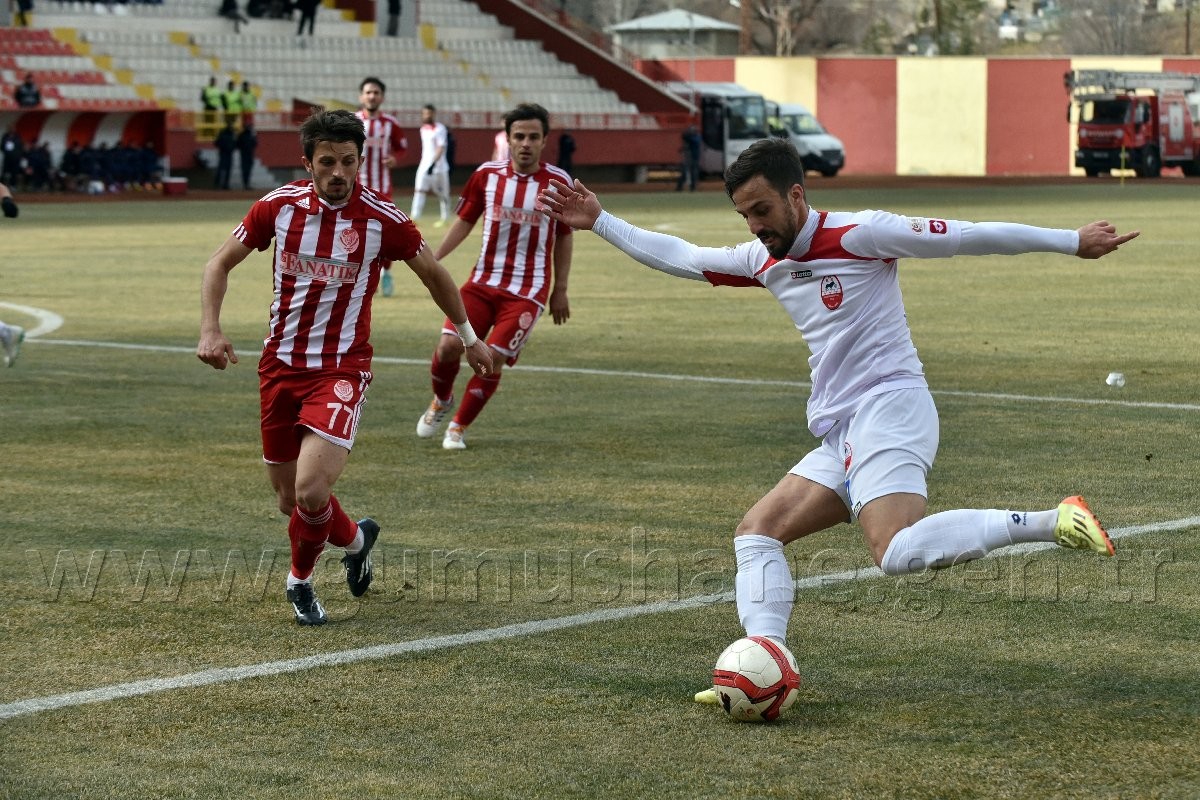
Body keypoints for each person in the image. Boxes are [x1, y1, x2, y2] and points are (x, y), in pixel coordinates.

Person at [537, 137, 1137, 699]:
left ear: (797, 195)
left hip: (891, 407)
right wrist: (601, 221)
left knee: (895, 551)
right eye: (744, 215)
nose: (754, 225)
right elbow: (686, 257)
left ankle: (1053, 520)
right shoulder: (761, 258)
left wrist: (1071, 240)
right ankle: (765, 660)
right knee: (756, 533)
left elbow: (966, 235)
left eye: (762, 209)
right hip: (842, 428)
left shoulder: (862, 233)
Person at [196, 108, 492, 625]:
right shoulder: (278, 208)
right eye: (327, 162)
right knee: (289, 501)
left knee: (311, 490)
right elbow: (218, 263)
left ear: (360, 161)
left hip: (341, 369)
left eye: (349, 162)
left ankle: (300, 582)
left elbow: (434, 274)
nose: (339, 172)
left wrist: (469, 337)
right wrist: (210, 329)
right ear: (307, 163)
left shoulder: (383, 220)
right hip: (279, 366)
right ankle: (356, 540)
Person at [415, 103, 572, 451]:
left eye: (533, 137)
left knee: (493, 359)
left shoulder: (558, 182)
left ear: (544, 140)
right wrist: (433, 259)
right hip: (483, 282)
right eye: (520, 136)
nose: (526, 143)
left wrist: (560, 289)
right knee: (448, 346)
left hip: (528, 291)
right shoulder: (487, 175)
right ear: (508, 139)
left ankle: (457, 427)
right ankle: (441, 401)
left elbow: (564, 237)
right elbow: (465, 221)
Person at [354, 76, 408, 297]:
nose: (372, 96)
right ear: (361, 97)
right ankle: (363, 276)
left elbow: (402, 148)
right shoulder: (353, 121)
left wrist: (396, 159)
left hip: (382, 189)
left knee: (385, 234)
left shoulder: (390, 123)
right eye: (368, 92)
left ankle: (385, 272)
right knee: (358, 234)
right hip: (357, 188)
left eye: (376, 93)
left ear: (382, 97)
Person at [410, 103, 450, 228]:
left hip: (439, 168)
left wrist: (433, 164)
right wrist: (427, 165)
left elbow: (440, 147)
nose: (427, 116)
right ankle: (414, 218)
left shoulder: (440, 129)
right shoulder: (423, 129)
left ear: (434, 114)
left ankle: (445, 218)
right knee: (419, 191)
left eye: (429, 113)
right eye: (425, 113)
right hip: (424, 166)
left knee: (443, 194)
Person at [676, 123, 701, 192]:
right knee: (684, 172)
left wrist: (687, 136)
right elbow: (685, 146)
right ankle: (679, 187)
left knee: (693, 173)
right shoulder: (688, 139)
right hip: (688, 158)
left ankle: (693, 188)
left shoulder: (697, 137)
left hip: (694, 158)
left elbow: (695, 141)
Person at [214, 119, 236, 190]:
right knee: (221, 169)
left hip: (229, 153)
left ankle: (225, 184)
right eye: (230, 125)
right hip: (223, 153)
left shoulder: (232, 133)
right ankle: (218, 184)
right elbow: (217, 142)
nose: (231, 126)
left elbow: (235, 143)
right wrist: (223, 147)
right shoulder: (223, 133)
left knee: (228, 169)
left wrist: (232, 148)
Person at [236, 122, 257, 190]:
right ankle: (246, 184)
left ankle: (246, 184)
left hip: (247, 155)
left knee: (247, 170)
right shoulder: (246, 135)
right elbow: (254, 144)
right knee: (246, 170)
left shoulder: (248, 135)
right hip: (245, 155)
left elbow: (255, 144)